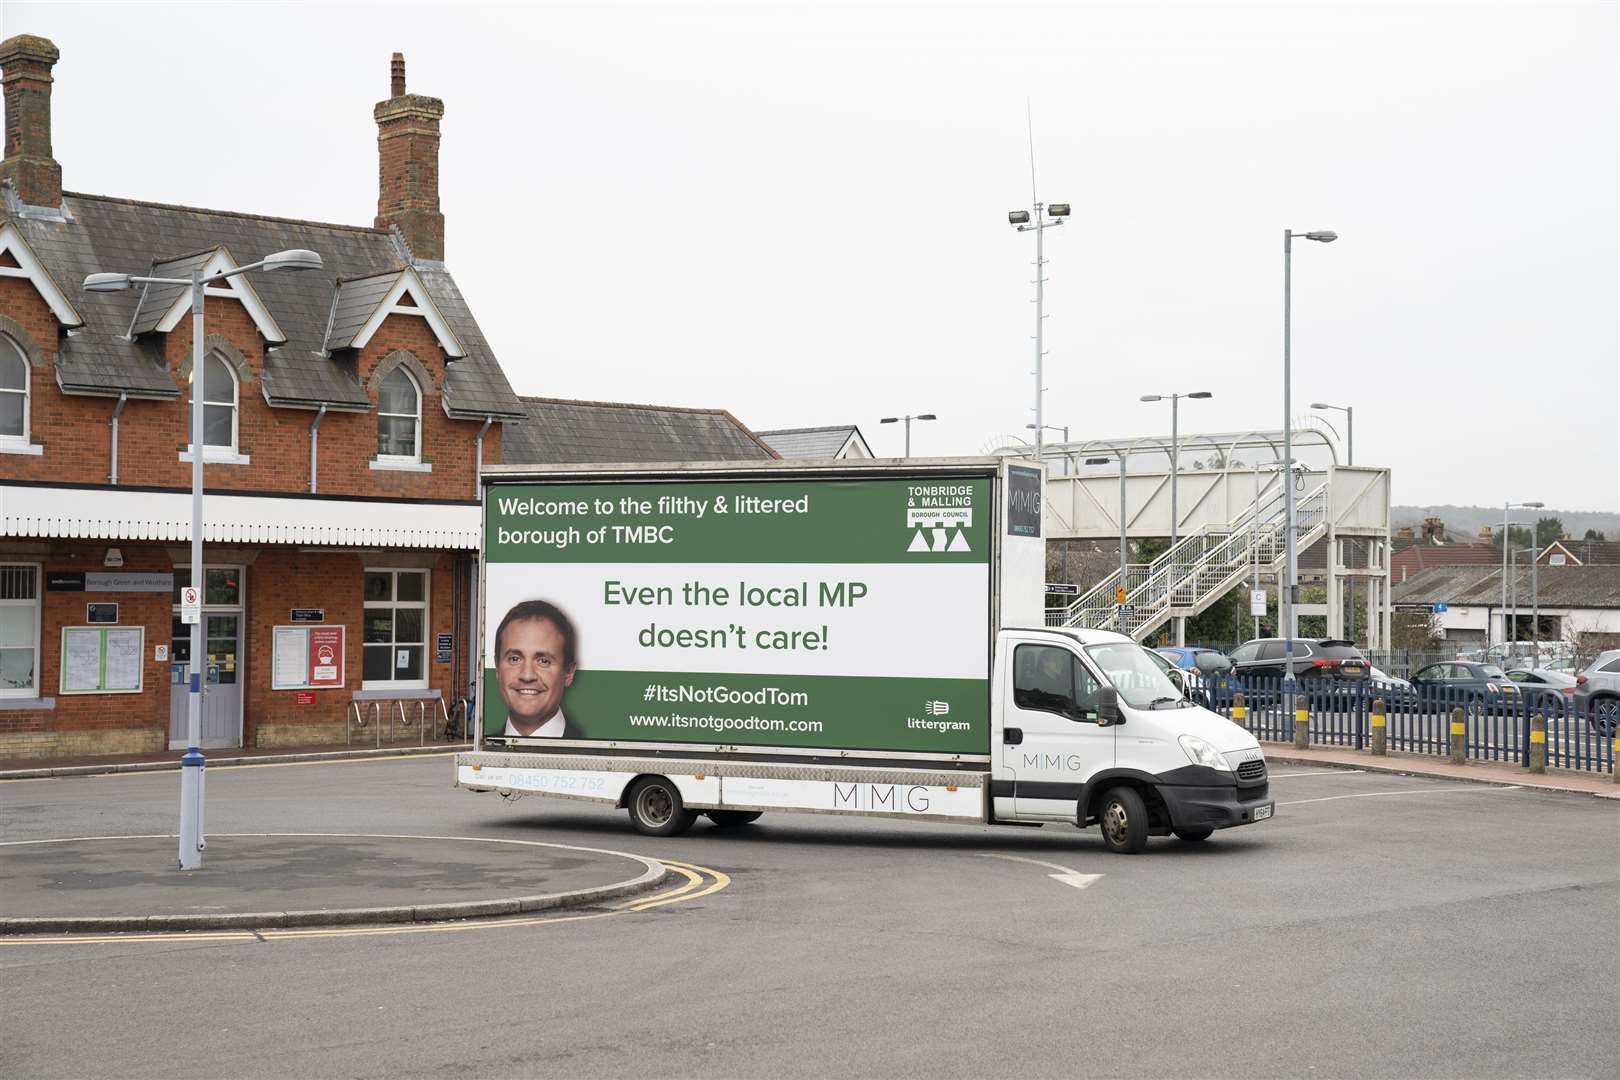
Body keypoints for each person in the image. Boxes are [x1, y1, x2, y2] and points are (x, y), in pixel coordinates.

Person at [493, 600, 580, 738]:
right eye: (515, 659)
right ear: (497, 667)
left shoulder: (595, 751)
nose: (527, 675)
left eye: (543, 661)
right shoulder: (485, 748)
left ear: (569, 672)